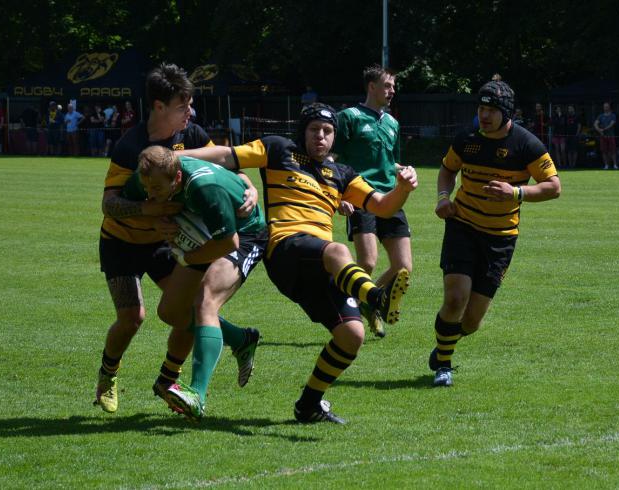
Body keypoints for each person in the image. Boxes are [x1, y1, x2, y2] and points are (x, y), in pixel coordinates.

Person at [179, 103, 417, 424]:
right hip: (285, 248)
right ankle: (376, 298)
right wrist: (175, 157)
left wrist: (403, 188)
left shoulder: (343, 174)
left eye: (328, 131)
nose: (321, 137)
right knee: (337, 250)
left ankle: (309, 405)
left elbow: (383, 206)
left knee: (352, 335)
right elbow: (226, 156)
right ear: (302, 131)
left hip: (320, 264)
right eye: (314, 130)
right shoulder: (279, 149)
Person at [93, 63, 259, 414]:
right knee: (132, 317)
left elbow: (226, 165)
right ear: (159, 106)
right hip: (122, 242)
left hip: (165, 244)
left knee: (186, 308)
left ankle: (169, 379)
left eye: (190, 104)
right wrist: (152, 212)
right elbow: (110, 204)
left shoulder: (193, 135)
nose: (190, 112)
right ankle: (108, 374)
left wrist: (250, 187)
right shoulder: (131, 145)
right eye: (183, 106)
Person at [120, 146, 267, 422]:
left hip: (244, 233)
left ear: (177, 179)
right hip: (204, 230)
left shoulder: (204, 189)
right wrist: (155, 220)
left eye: (156, 188)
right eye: (146, 187)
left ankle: (197, 396)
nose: (150, 193)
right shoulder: (149, 176)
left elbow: (228, 243)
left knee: (205, 301)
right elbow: (127, 205)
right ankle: (241, 339)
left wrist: (186, 257)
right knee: (171, 312)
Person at [429, 80, 561, 387]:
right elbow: (448, 169)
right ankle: (444, 366)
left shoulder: (526, 144)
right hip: (463, 226)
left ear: (507, 113)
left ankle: (444, 344)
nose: (484, 116)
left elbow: (554, 187)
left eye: (491, 110)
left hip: (500, 238)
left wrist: (515, 192)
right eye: (481, 108)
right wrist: (443, 198)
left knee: (472, 322)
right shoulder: (467, 138)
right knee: (455, 299)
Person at [333, 64, 410, 338]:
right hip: (361, 196)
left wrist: (405, 170)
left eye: (393, 86)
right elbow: (332, 160)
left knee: (403, 267)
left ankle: (368, 301)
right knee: (366, 262)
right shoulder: (348, 117)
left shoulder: (392, 123)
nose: (392, 91)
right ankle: (344, 311)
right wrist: (338, 196)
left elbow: (391, 163)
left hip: (390, 198)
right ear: (372, 87)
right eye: (387, 85)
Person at [594, 102, 617, 169]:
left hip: (611, 136)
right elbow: (595, 124)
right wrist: (599, 130)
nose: (605, 108)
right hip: (603, 136)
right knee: (604, 151)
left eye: (607, 106)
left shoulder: (613, 115)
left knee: (612, 151)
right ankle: (606, 165)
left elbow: (612, 124)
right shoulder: (600, 116)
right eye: (604, 106)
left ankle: (615, 164)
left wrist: (603, 129)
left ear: (609, 107)